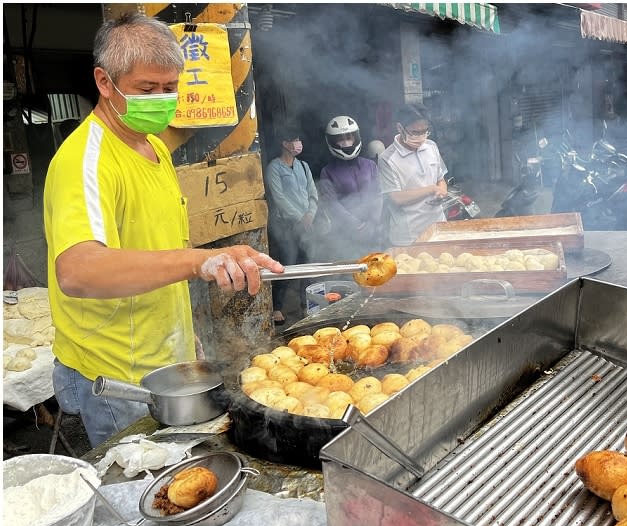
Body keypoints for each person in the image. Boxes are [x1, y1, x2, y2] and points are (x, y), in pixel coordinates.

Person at [42, 13, 284, 448]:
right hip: (116, 371)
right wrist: (198, 262)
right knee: (142, 489)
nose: (162, 99)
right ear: (104, 81)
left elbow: (161, 246)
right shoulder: (85, 160)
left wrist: (187, 336)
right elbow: (77, 270)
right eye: (146, 89)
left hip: (164, 358)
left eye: (170, 87)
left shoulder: (154, 146)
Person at [264, 124, 318, 324]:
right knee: (285, 264)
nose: (298, 144)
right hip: (286, 226)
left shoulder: (303, 166)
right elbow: (279, 199)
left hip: (306, 224)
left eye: (298, 140)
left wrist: (310, 214)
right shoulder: (274, 168)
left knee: (307, 264)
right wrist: (300, 217)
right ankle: (277, 307)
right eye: (294, 140)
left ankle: (307, 305)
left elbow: (313, 193)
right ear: (285, 144)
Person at [378, 104, 448, 247]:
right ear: (400, 128)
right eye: (415, 133)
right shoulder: (387, 159)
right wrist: (430, 189)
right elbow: (396, 198)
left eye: (425, 131)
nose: (421, 137)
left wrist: (442, 190)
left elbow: (440, 179)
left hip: (439, 229)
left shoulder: (431, 146)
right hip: (409, 237)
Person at [316, 115, 383, 260]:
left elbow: (378, 194)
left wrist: (373, 221)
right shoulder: (327, 171)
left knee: (377, 269)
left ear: (356, 138)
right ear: (332, 142)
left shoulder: (370, 165)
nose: (346, 143)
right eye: (341, 139)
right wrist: (355, 224)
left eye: (349, 138)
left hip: (374, 231)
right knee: (351, 273)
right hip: (346, 236)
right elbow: (331, 203)